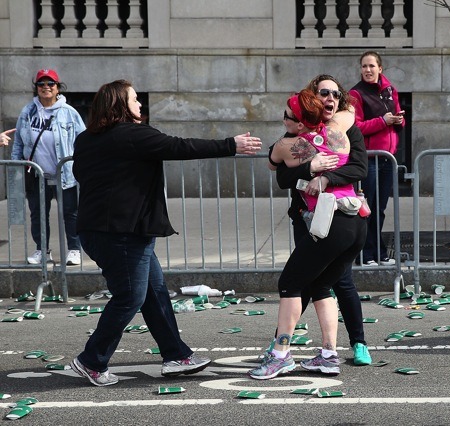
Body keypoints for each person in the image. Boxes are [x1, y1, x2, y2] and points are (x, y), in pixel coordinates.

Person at [70, 79, 262, 386]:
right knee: (129, 297)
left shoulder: (86, 139)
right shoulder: (132, 135)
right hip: (122, 233)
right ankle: (91, 360)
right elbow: (180, 146)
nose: (140, 105)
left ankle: (177, 356)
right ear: (120, 104)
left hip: (101, 230)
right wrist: (230, 145)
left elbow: (82, 175)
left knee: (154, 293)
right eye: (135, 99)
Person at [249, 90, 366, 380]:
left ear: (300, 123)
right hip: (356, 221)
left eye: (288, 116)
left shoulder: (289, 144)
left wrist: (306, 164)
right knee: (322, 285)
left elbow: (273, 162)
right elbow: (349, 114)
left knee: (290, 284)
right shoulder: (338, 132)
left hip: (330, 223)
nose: (284, 120)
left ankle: (280, 355)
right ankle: (328, 356)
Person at [273, 74, 372, 366]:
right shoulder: (325, 133)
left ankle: (283, 351)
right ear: (314, 99)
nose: (329, 98)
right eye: (322, 93)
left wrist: (325, 176)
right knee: (316, 285)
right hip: (325, 220)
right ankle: (327, 354)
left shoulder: (338, 129)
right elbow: (284, 175)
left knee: (299, 283)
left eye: (334, 94)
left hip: (335, 218)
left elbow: (359, 167)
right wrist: (310, 167)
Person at [11, 69, 86, 266]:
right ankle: (42, 250)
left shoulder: (69, 112)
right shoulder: (28, 112)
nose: (46, 87)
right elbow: (19, 141)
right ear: (36, 88)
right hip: (36, 173)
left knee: (70, 212)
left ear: (57, 87)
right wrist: (16, 166)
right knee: (38, 213)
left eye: (50, 84)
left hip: (65, 173)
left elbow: (84, 140)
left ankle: (74, 249)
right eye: (41, 84)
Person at [349, 51, 404, 266]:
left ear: (380, 68)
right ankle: (365, 254)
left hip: (387, 159)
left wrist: (398, 121)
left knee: (379, 209)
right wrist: (383, 121)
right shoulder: (356, 94)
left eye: (372, 66)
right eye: (364, 66)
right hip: (369, 159)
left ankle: (379, 253)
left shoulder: (390, 90)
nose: (368, 70)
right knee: (366, 208)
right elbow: (357, 127)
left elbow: (398, 118)